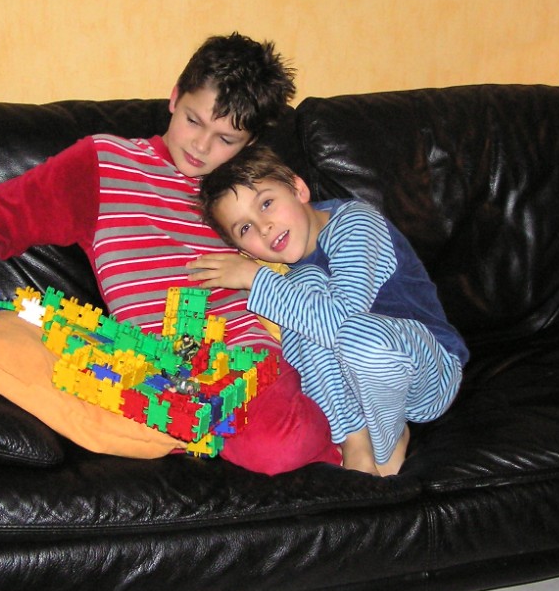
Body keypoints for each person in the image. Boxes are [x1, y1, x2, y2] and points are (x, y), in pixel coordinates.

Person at [0, 33, 342, 475]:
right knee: (18, 346)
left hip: (245, 357)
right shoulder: (105, 163)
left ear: (248, 143)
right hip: (152, 369)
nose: (201, 147)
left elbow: (313, 241)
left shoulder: (244, 192)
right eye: (193, 120)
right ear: (175, 97)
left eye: (225, 139)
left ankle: (342, 444)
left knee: (275, 447)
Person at [188, 145, 469, 476]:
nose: (263, 227)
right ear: (243, 250)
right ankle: (354, 439)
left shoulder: (356, 223)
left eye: (266, 204)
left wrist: (255, 280)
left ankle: (387, 440)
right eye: (244, 229)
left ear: (298, 189)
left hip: (427, 373)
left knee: (320, 306)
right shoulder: (284, 274)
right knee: (303, 286)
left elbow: (343, 323)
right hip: (357, 396)